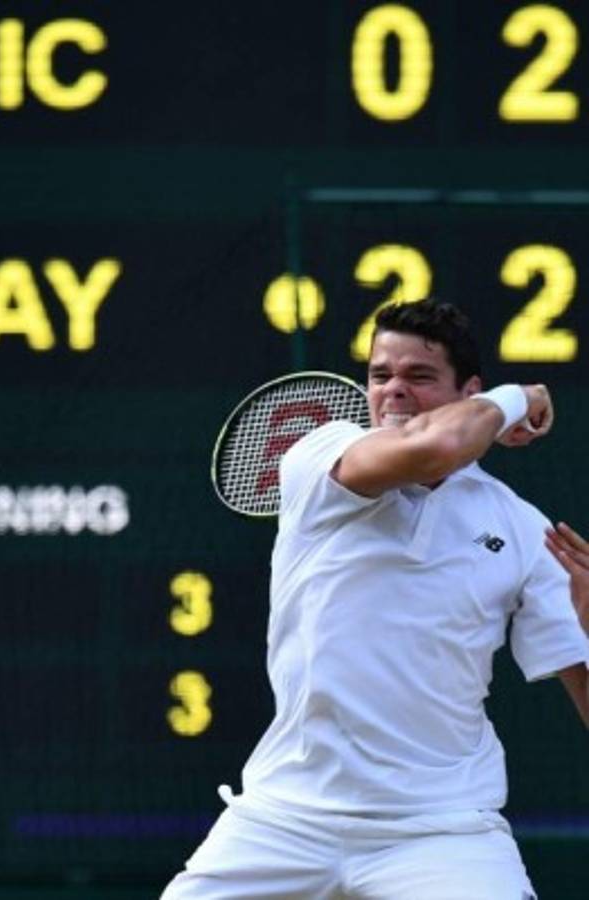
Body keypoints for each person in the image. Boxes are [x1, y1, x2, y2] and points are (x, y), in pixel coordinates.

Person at [161, 299, 589, 899]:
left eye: (419, 377)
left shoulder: (522, 528)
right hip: (285, 820)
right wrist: (525, 394)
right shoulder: (322, 453)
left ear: (469, 392)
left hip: (444, 833)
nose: (393, 391)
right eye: (380, 375)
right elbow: (433, 450)